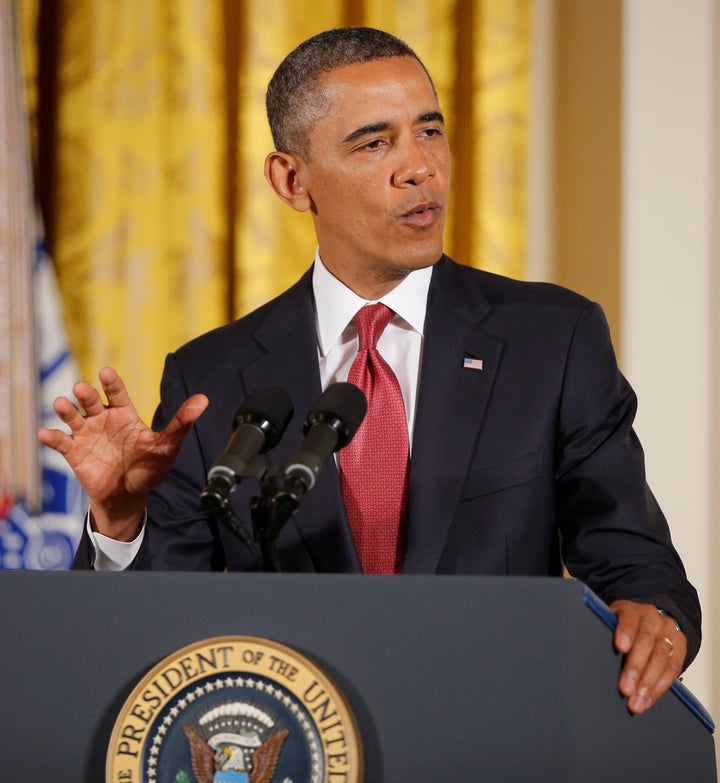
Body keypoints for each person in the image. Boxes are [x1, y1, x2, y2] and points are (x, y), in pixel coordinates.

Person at [39, 27, 700, 717]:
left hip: (495, 738)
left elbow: (634, 557)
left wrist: (652, 613)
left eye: (431, 131)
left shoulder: (551, 341)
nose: (420, 168)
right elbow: (157, 636)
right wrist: (118, 523)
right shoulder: (214, 374)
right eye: (375, 142)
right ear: (292, 181)